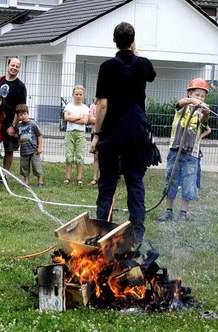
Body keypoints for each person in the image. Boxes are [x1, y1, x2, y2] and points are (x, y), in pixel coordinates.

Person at [89, 22, 156, 244]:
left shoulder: (107, 67)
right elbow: (149, 72)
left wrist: (97, 134)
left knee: (107, 183)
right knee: (135, 182)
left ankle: (103, 231)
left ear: (113, 40)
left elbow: (102, 104)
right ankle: (136, 232)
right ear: (133, 40)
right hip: (136, 134)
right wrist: (134, 51)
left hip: (111, 135)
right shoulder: (143, 65)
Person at [157, 78, 211, 223]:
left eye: (202, 96)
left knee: (189, 182)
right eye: (197, 95)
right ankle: (168, 211)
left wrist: (206, 112)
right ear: (189, 94)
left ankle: (183, 213)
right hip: (175, 150)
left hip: (191, 154)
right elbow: (180, 102)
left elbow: (204, 120)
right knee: (171, 180)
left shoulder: (199, 112)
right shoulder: (183, 107)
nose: (200, 98)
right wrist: (191, 102)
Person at [0, 58, 27, 175]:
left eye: (17, 66)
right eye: (12, 65)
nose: (14, 68)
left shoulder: (20, 86)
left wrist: (13, 126)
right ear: (8, 66)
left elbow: (20, 108)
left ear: (19, 69)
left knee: (9, 150)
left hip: (10, 122)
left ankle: (4, 175)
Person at [63, 85, 90, 185]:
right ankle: (67, 177)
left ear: (83, 95)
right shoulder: (69, 106)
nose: (78, 96)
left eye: (80, 94)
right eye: (76, 94)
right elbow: (66, 117)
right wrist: (79, 117)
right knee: (69, 156)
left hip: (80, 134)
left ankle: (79, 178)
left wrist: (72, 118)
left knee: (79, 156)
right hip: (70, 133)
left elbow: (85, 121)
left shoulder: (85, 108)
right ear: (73, 94)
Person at [14, 104, 43, 187]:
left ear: (28, 114)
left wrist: (39, 147)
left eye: (24, 114)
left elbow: (39, 135)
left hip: (34, 150)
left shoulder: (33, 124)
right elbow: (18, 135)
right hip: (24, 151)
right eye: (20, 115)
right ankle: (26, 182)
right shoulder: (18, 126)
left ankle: (40, 182)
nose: (23, 116)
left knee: (36, 166)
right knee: (24, 167)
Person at [88, 99, 99, 186]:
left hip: (107, 135)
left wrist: (96, 120)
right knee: (96, 156)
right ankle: (95, 178)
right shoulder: (93, 106)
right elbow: (91, 119)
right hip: (94, 133)